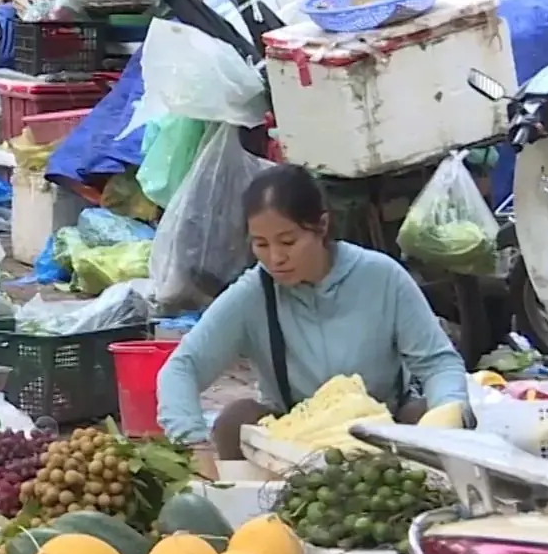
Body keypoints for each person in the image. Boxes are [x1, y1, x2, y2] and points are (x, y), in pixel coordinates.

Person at [156, 164, 472, 473]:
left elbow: (438, 364)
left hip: (385, 433)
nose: (275, 258)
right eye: (261, 244)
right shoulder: (254, 293)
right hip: (292, 446)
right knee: (234, 420)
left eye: (288, 242)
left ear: (321, 226)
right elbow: (182, 368)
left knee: (433, 415)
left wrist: (448, 414)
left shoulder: (382, 277)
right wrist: (193, 442)